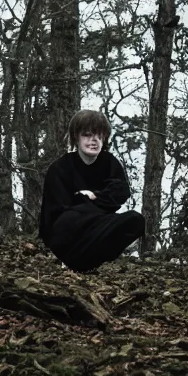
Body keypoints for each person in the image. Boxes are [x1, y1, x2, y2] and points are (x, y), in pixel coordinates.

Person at [39, 109, 145, 272]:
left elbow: (120, 192)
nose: (93, 140)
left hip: (99, 226)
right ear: (76, 137)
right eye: (87, 135)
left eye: (99, 136)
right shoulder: (60, 168)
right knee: (71, 218)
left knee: (135, 220)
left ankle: (86, 262)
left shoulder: (109, 162)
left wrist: (94, 196)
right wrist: (91, 204)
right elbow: (57, 214)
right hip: (67, 232)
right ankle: (75, 261)